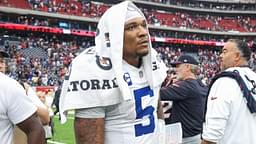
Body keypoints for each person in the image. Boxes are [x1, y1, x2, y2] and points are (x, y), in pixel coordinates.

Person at [59, 1, 167, 144]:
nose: (143, 32)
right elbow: (89, 140)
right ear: (112, 35)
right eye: (131, 27)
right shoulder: (94, 68)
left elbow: (155, 102)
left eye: (143, 25)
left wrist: (161, 132)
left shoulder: (152, 59)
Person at [202, 39, 256, 144]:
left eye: (225, 51)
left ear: (236, 56)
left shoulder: (224, 81)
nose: (220, 56)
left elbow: (213, 132)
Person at [160, 54, 208, 144]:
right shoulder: (200, 84)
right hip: (196, 134)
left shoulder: (186, 86)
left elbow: (158, 93)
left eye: (178, 66)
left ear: (187, 67)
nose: (176, 69)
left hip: (184, 139)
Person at [0, 50, 45, 144]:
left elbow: (41, 122)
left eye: (1, 61)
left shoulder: (12, 86)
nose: (0, 65)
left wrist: (24, 106)